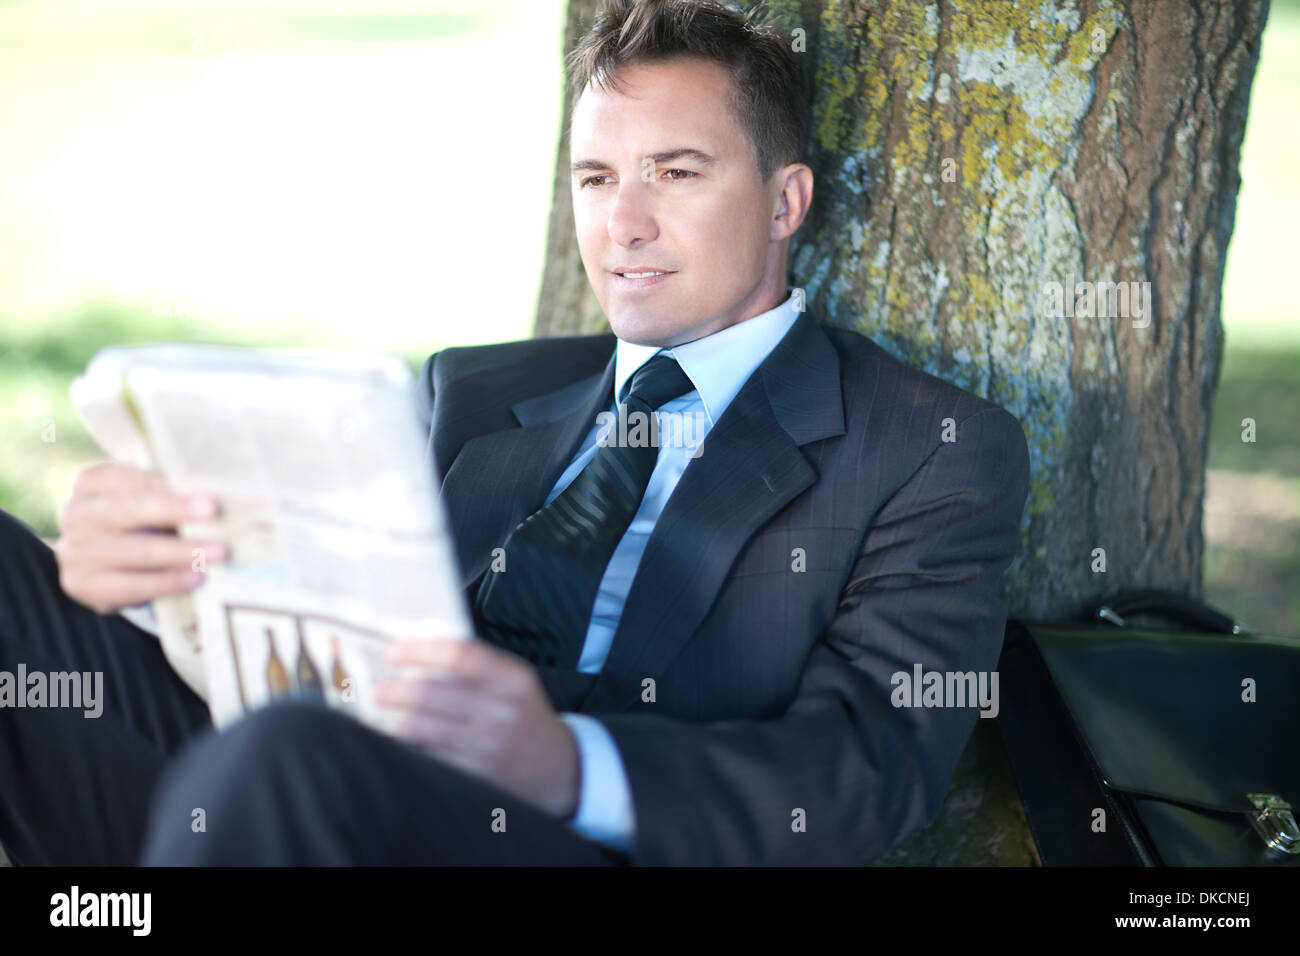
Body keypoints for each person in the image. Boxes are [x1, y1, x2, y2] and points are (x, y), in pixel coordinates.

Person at [0, 0, 1030, 866]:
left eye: (674, 173)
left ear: (783, 201)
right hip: (328, 786)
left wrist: (567, 761)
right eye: (595, 178)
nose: (622, 224)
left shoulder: (925, 444)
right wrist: (153, 573)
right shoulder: (477, 389)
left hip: (585, 839)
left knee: (286, 756)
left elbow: (870, 769)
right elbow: (320, 600)